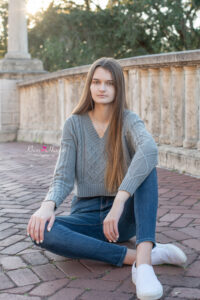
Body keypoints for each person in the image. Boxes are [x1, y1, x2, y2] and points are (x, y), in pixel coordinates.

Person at [27, 57, 187, 300]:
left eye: (109, 83)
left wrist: (119, 202)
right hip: (88, 217)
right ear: (89, 86)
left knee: (146, 166)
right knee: (40, 230)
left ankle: (143, 269)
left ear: (118, 88)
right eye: (96, 82)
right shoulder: (74, 124)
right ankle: (140, 256)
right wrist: (46, 206)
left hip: (123, 219)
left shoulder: (128, 120)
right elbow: (63, 177)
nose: (102, 88)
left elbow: (150, 150)